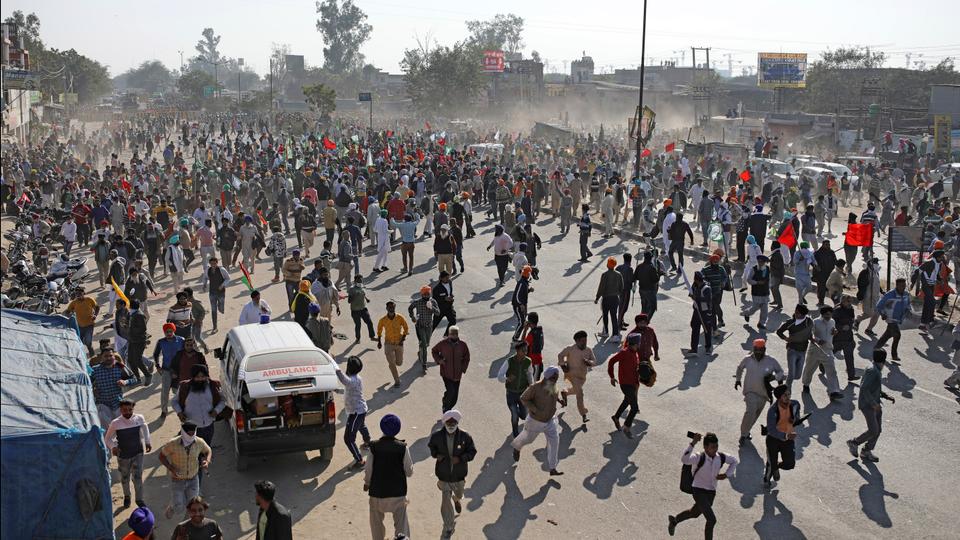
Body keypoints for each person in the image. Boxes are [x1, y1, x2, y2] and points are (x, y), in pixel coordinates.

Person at [667, 432, 738, 539]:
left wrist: (726, 474)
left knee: (694, 513)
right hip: (698, 491)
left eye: (716, 446)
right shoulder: (699, 457)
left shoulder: (721, 457)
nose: (715, 449)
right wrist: (693, 442)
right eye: (712, 447)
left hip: (711, 492)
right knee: (711, 519)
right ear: (705, 447)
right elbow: (685, 459)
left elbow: (734, 461)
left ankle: (674, 521)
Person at [427, 410, 477, 539]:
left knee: (459, 493)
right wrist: (436, 455)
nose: (451, 424)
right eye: (448, 422)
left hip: (459, 475)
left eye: (453, 422)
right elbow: (432, 448)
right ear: (444, 423)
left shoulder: (465, 437)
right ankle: (448, 526)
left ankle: (457, 498)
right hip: (443, 474)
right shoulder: (436, 436)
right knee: (445, 500)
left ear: (457, 423)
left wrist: (461, 459)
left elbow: (472, 452)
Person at [365, 414, 413, 540]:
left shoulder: (374, 447)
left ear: (382, 428)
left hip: (377, 493)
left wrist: (367, 483)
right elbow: (409, 472)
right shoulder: (403, 448)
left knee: (376, 524)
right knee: (401, 524)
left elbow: (368, 469)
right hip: (398, 494)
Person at [511, 365, 567, 476]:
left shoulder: (553, 385)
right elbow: (523, 398)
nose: (555, 380)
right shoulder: (535, 387)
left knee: (554, 442)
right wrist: (534, 409)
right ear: (547, 377)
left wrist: (560, 401)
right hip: (535, 421)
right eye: (553, 378)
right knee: (527, 439)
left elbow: (554, 394)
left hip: (550, 420)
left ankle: (552, 468)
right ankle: (517, 447)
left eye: (556, 378)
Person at [735, 339, 785, 447]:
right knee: (750, 412)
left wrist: (774, 377)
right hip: (750, 392)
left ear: (764, 349)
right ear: (753, 349)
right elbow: (739, 368)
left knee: (755, 415)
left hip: (763, 394)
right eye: (756, 350)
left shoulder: (771, 361)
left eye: (760, 350)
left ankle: (747, 431)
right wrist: (738, 380)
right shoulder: (747, 359)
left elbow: (781, 372)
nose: (758, 352)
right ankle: (743, 435)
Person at [847, 350, 894, 463]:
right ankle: (854, 443)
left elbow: (874, 388)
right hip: (868, 405)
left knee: (878, 430)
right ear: (883, 360)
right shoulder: (873, 371)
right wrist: (874, 404)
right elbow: (864, 388)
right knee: (873, 430)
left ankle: (866, 451)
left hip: (875, 403)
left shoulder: (876, 369)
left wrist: (885, 396)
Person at [104, 399, 152, 509]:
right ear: (120, 410)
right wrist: (113, 447)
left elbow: (145, 429)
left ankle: (139, 499)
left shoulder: (139, 418)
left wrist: (148, 442)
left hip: (138, 453)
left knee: (138, 477)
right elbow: (107, 439)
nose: (128, 412)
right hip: (123, 456)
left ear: (133, 408)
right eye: (124, 410)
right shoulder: (116, 423)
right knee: (125, 477)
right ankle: (127, 496)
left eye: (130, 409)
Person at [158, 422, 211, 519]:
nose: (191, 436)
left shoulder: (199, 442)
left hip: (193, 479)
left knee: (192, 505)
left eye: (193, 433)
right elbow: (161, 456)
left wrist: (207, 461)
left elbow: (208, 450)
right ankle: (172, 506)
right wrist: (170, 467)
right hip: (177, 480)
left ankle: (187, 523)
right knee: (179, 507)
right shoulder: (172, 444)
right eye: (189, 434)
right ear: (183, 432)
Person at [334, 357, 371, 468]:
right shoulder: (356, 378)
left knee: (348, 439)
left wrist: (336, 368)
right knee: (361, 426)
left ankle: (359, 460)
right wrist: (336, 390)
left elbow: (344, 381)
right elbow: (347, 389)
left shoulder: (352, 380)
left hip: (356, 413)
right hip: (361, 410)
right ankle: (368, 442)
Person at [91, 344, 139, 428]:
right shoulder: (95, 369)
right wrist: (92, 391)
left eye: (110, 355)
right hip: (102, 404)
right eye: (106, 356)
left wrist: (125, 382)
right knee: (106, 429)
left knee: (122, 427)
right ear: (101, 357)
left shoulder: (120, 367)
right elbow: (86, 384)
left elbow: (135, 379)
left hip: (117, 403)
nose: (109, 358)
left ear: (114, 356)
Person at [801, 306, 844, 400]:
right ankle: (806, 385)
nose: (828, 316)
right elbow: (810, 335)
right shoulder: (815, 322)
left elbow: (832, 331)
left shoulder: (832, 321)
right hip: (815, 350)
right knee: (809, 369)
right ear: (822, 314)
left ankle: (834, 392)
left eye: (830, 314)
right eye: (826, 314)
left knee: (832, 371)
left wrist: (834, 332)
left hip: (828, 350)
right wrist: (818, 340)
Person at [763, 385, 800, 487]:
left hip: (788, 440)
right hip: (773, 440)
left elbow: (797, 417)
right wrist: (786, 436)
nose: (788, 397)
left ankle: (776, 467)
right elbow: (771, 430)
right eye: (785, 395)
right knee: (771, 463)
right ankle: (767, 479)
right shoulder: (772, 411)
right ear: (779, 397)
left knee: (790, 464)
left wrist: (795, 420)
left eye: (789, 394)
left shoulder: (795, 404)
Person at [608, 334, 643, 438]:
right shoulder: (624, 352)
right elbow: (611, 361)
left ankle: (616, 417)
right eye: (638, 343)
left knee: (627, 401)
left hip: (633, 383)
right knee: (634, 408)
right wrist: (612, 376)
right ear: (636, 343)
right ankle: (627, 427)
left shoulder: (635, 353)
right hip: (625, 384)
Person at [499, 341, 535, 437]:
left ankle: (518, 411)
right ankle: (515, 433)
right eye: (523, 350)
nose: (525, 352)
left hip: (523, 394)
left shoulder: (528, 361)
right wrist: (507, 379)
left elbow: (530, 374)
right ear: (517, 350)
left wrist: (532, 386)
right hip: (511, 393)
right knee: (514, 415)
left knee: (523, 415)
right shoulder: (509, 361)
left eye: (526, 350)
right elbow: (500, 376)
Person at [432, 326, 471, 413]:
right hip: (446, 373)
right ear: (448, 334)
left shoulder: (462, 345)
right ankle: (446, 408)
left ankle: (448, 405)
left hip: (457, 374)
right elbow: (434, 351)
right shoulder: (443, 344)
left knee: (455, 397)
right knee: (450, 391)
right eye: (452, 334)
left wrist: (463, 369)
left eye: (455, 334)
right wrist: (439, 360)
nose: (454, 336)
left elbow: (466, 358)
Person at [874, 278, 911, 362]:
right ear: (897, 285)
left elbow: (908, 305)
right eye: (902, 286)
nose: (904, 287)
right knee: (897, 335)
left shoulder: (906, 294)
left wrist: (909, 311)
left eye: (904, 285)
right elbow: (879, 306)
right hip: (890, 318)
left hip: (898, 319)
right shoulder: (889, 295)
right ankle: (894, 355)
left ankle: (876, 348)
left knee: (887, 335)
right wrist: (883, 314)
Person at [775, 304, 814, 385]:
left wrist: (812, 338)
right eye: (795, 312)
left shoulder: (809, 321)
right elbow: (779, 332)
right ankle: (787, 392)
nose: (795, 314)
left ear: (803, 314)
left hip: (803, 350)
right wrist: (786, 338)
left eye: (798, 313)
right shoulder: (790, 322)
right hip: (792, 349)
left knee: (797, 376)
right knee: (791, 375)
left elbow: (809, 333)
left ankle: (779, 376)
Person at [152, 323, 185, 416]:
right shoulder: (160, 342)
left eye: (170, 331)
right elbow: (155, 354)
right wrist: (157, 366)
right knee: (165, 392)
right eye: (167, 332)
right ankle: (164, 411)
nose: (169, 333)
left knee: (178, 391)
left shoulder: (181, 340)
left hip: (179, 371)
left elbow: (185, 353)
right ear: (164, 332)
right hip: (166, 370)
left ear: (174, 331)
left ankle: (182, 409)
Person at [377, 301, 409, 388]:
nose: (391, 309)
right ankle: (397, 380)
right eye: (389, 307)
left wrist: (403, 339)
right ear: (386, 308)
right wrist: (379, 341)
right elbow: (379, 330)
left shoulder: (400, 318)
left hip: (399, 343)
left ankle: (394, 361)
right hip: (388, 343)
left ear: (395, 308)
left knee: (399, 363)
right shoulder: (383, 320)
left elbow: (406, 328)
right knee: (391, 363)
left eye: (393, 307)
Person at [408, 285, 439, 371]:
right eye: (424, 294)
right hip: (420, 326)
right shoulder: (417, 302)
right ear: (421, 295)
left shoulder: (433, 301)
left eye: (428, 294)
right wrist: (412, 316)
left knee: (427, 343)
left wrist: (431, 308)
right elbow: (410, 308)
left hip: (429, 326)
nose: (426, 296)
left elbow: (438, 313)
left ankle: (420, 351)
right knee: (425, 345)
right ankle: (424, 363)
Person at [685, 271, 714, 356]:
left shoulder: (706, 288)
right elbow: (691, 293)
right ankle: (694, 349)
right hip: (696, 312)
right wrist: (691, 295)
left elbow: (708, 300)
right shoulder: (694, 285)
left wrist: (696, 298)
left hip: (705, 312)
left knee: (707, 330)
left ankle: (708, 348)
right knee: (694, 328)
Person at [64, 287, 99, 356]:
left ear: (83, 293)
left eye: (80, 293)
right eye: (77, 293)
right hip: (79, 326)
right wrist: (69, 316)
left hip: (89, 324)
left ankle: (92, 354)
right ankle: (80, 356)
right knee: (79, 342)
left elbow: (97, 307)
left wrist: (95, 315)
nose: (78, 295)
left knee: (88, 342)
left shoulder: (89, 300)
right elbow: (67, 311)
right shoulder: (74, 303)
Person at [596, 257, 624, 339]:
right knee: (614, 316)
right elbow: (621, 287)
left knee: (605, 315)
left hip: (606, 298)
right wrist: (618, 294)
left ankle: (606, 332)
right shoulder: (619, 274)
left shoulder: (605, 275)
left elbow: (601, 287)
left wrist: (597, 298)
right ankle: (615, 335)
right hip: (615, 298)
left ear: (608, 265)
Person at [742, 255, 772, 330]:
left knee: (764, 309)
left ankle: (761, 323)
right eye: (759, 261)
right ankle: (747, 313)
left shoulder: (768, 269)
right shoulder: (754, 269)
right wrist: (757, 282)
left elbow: (769, 279)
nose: (760, 263)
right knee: (755, 307)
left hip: (765, 292)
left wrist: (769, 287)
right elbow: (748, 280)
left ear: (765, 262)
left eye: (762, 262)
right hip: (756, 292)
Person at [634, 250, 664, 321]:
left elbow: (635, 277)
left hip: (642, 290)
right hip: (650, 291)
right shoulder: (652, 267)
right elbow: (656, 280)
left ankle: (641, 321)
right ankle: (645, 322)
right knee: (652, 307)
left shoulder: (639, 266)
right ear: (651, 258)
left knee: (644, 307)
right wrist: (659, 274)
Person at [347, 276, 377, 342]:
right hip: (355, 310)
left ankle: (372, 336)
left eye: (361, 281)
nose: (360, 282)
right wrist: (354, 296)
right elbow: (349, 301)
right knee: (358, 325)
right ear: (355, 281)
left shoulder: (362, 287)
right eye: (358, 281)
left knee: (369, 322)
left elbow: (363, 293)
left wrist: (366, 299)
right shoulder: (352, 289)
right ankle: (358, 338)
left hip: (363, 309)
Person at [205, 257, 230, 332]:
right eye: (211, 263)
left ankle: (220, 306)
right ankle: (215, 327)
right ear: (210, 264)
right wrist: (204, 284)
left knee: (221, 306)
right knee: (213, 310)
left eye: (214, 263)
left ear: (217, 263)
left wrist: (222, 285)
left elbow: (228, 278)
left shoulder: (222, 270)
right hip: (212, 292)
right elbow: (205, 278)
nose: (213, 265)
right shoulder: (207, 270)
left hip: (221, 292)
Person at [511, 265, 534, 341]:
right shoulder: (522, 283)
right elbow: (517, 295)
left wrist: (529, 290)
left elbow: (522, 293)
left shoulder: (524, 282)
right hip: (517, 306)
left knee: (522, 322)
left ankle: (516, 337)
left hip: (521, 305)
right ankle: (515, 338)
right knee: (521, 322)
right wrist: (520, 304)